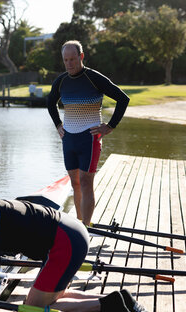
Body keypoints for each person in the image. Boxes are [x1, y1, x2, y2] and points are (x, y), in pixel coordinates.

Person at [0, 199, 152, 312]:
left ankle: (107, 305)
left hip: (65, 241)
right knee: (52, 297)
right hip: (64, 237)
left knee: (31, 310)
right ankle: (119, 299)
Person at [47, 40, 130, 226]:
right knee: (75, 183)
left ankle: (86, 225)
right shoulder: (61, 81)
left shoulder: (94, 78)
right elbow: (50, 102)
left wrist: (110, 126)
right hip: (69, 139)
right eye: (66, 60)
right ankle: (78, 223)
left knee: (85, 182)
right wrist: (58, 125)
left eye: (73, 59)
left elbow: (123, 99)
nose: (69, 63)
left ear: (81, 56)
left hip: (89, 138)